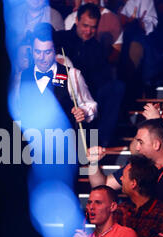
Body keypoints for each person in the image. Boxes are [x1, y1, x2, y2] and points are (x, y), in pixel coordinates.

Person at [87, 119, 163, 213]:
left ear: (156, 144)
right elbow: (103, 185)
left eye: (141, 142)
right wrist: (93, 163)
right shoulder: (136, 164)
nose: (137, 148)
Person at [55, 3, 125, 146]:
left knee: (117, 87)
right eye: (85, 26)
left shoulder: (98, 49)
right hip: (61, 88)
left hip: (89, 94)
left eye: (93, 27)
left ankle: (102, 142)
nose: (88, 31)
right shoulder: (59, 39)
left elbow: (102, 80)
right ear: (76, 21)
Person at [19, 22, 97, 129]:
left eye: (47, 52)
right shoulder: (22, 76)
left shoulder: (72, 75)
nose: (41, 58)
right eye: (38, 52)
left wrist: (83, 111)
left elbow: (91, 105)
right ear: (32, 51)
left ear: (55, 51)